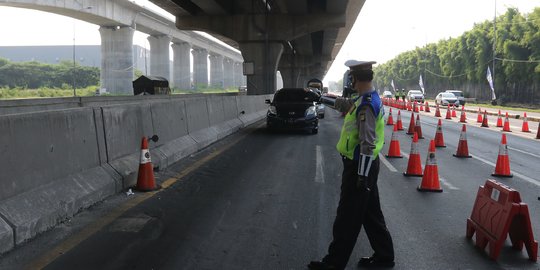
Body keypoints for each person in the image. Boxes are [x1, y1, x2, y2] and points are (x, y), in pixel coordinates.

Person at [308, 60, 395, 270]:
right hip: (365, 166)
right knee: (371, 214)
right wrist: (321, 97)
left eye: (351, 78)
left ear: (354, 78)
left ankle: (334, 263)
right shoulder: (367, 99)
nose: (351, 82)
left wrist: (361, 177)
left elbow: (367, 143)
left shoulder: (366, 105)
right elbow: (347, 106)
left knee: (347, 217)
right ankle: (384, 257)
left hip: (359, 167)